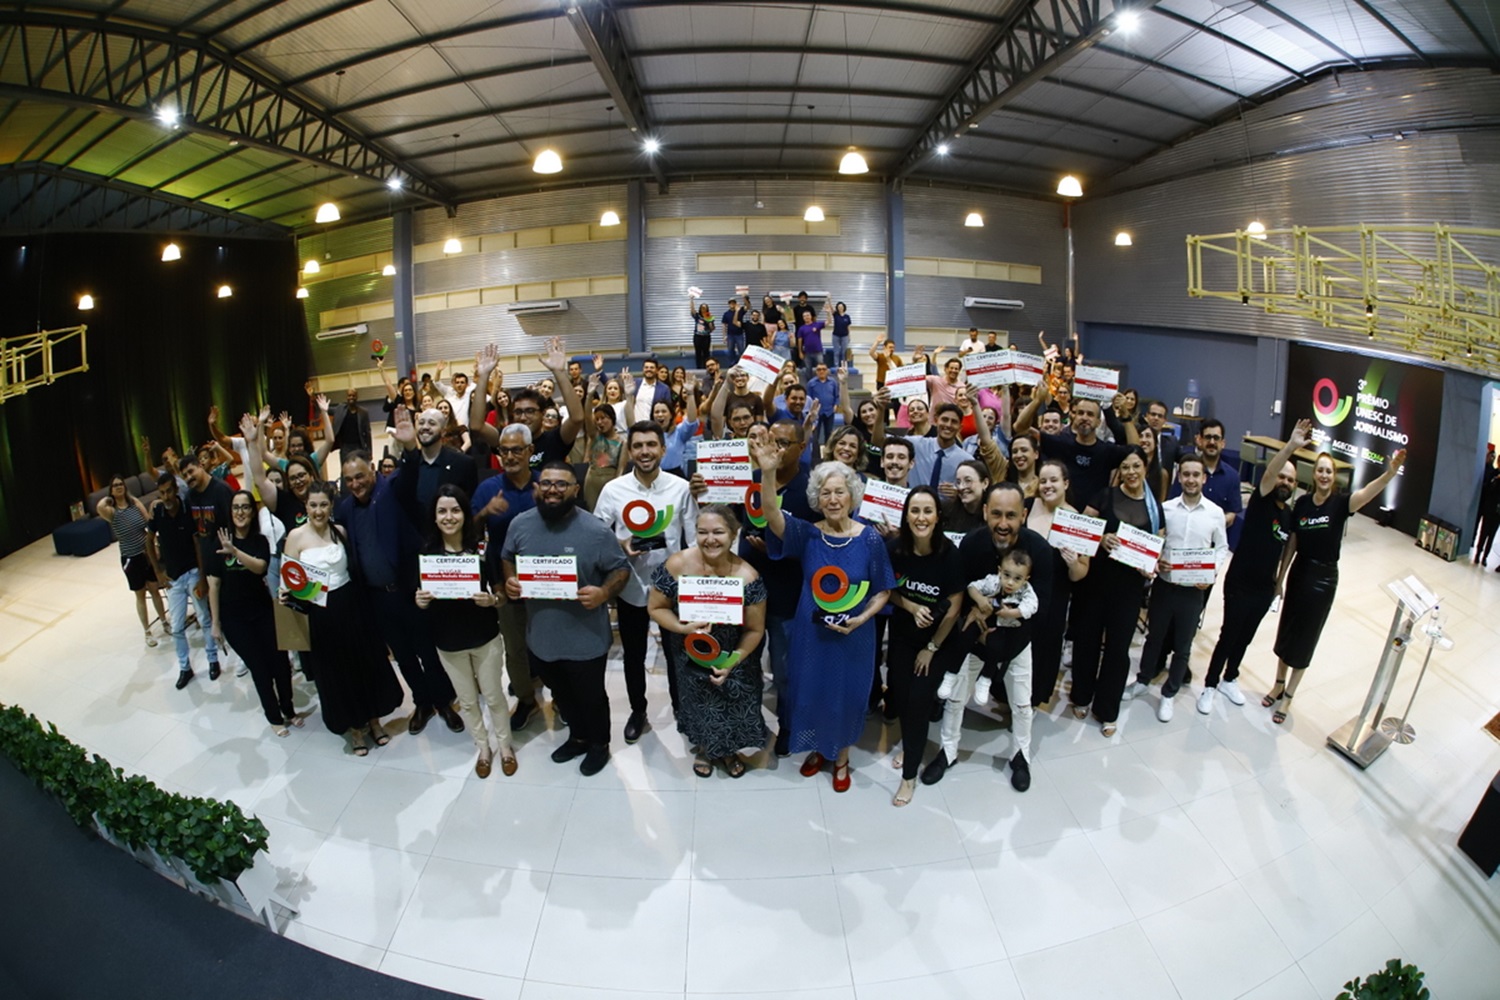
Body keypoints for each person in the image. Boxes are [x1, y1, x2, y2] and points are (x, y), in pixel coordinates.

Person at [753, 444, 895, 792]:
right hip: (812, 633)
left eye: (840, 492)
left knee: (845, 695)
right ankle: (820, 747)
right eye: (826, 493)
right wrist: (768, 472)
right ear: (817, 498)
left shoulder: (870, 539)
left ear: (852, 496)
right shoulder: (808, 534)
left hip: (854, 636)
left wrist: (861, 620)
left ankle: (841, 756)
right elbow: (770, 513)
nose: (833, 499)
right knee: (814, 690)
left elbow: (883, 591)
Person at [501, 462, 630, 776]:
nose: (552, 490)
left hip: (586, 639)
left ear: (575, 489)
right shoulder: (520, 524)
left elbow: (621, 568)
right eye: (546, 483)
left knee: (592, 698)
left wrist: (603, 592)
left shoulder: (596, 530)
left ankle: (599, 744)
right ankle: (578, 737)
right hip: (541, 639)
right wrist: (511, 580)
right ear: (538, 487)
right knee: (562, 696)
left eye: (561, 484)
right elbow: (507, 557)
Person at [923, 482, 1054, 789]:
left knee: (1022, 704)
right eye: (996, 514)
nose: (1003, 523)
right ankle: (948, 751)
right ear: (985, 512)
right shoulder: (971, 544)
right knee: (956, 698)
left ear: (1023, 515)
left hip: (1017, 640)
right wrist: (977, 631)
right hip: (975, 636)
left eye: (1011, 515)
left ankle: (1021, 756)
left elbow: (1042, 611)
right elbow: (960, 591)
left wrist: (1001, 633)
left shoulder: (1040, 551)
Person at [1266, 444, 1407, 723]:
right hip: (1299, 573)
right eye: (1320, 470)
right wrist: (1280, 579)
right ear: (1313, 474)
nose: (1324, 475)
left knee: (1307, 637)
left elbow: (1367, 493)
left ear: (1334, 476)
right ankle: (1278, 683)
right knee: (1288, 631)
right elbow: (1292, 543)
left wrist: (1389, 474)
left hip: (1324, 579)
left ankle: (1289, 695)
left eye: (1328, 471)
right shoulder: (1302, 504)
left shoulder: (1341, 504)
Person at [338, 430, 464, 736]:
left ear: (372, 469)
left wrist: (409, 446)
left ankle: (444, 701)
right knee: (404, 657)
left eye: (360, 476)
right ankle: (422, 702)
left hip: (409, 591)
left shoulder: (393, 489)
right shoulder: (344, 508)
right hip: (378, 598)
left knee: (427, 652)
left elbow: (409, 474)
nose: (355, 484)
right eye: (349, 479)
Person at [593, 422, 698, 742]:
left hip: (671, 588)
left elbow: (693, 539)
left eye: (651, 445)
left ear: (663, 449)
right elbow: (597, 535)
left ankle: (682, 708)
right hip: (631, 585)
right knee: (634, 655)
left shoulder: (680, 488)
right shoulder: (614, 490)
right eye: (638, 445)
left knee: (677, 653)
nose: (645, 452)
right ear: (630, 451)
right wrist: (619, 545)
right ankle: (638, 711)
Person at [283, 482, 404, 755]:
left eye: (323, 505)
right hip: (320, 612)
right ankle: (355, 729)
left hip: (351, 606)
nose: (318, 511)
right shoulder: (295, 537)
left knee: (363, 665)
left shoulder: (340, 531)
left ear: (331, 506)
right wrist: (287, 594)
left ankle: (374, 721)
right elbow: (290, 580)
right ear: (305, 506)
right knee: (337, 673)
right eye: (313, 505)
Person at [648, 505, 767, 778]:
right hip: (689, 649)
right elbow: (656, 607)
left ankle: (729, 750)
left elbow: (754, 630)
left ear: (733, 534)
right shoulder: (677, 564)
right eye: (702, 532)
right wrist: (682, 627)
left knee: (733, 701)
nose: (710, 539)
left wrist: (732, 661)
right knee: (697, 701)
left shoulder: (748, 576)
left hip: (734, 652)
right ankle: (705, 747)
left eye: (718, 532)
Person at [1199, 424, 1305, 713]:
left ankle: (1229, 678)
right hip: (1240, 582)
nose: (1285, 482)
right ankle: (1210, 684)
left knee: (1245, 637)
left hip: (1264, 588)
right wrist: (1291, 446)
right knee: (1229, 634)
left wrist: (1278, 583)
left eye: (1291, 480)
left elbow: (1287, 550)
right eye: (1282, 476)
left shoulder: (1289, 515)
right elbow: (1269, 474)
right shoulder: (1262, 500)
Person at [415, 485, 516, 778]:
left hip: (485, 638)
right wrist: (420, 601)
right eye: (442, 511)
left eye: (455, 510)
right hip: (448, 642)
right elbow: (421, 595)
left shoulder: (482, 549)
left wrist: (492, 600)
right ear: (434, 517)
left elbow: (501, 595)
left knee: (494, 697)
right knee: (469, 702)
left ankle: (505, 747)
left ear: (465, 513)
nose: (449, 517)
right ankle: (483, 748)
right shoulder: (427, 553)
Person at [1123, 455, 1228, 722]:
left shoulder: (1215, 513)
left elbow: (1221, 548)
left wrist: (1212, 573)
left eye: (1196, 475)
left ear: (1204, 478)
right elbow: (1154, 541)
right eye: (1186, 474)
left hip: (1193, 591)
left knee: (1183, 645)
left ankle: (1169, 693)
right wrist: (1157, 558)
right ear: (1179, 477)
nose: (1191, 480)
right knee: (1154, 637)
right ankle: (1143, 680)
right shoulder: (1165, 509)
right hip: (1165, 586)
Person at [1070, 447, 1164, 737]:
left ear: (1145, 468)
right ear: (1118, 471)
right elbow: (1081, 532)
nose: (1131, 472)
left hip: (1129, 590)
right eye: (1125, 467)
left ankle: (1107, 709)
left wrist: (1149, 565)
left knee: (1118, 650)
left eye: (1136, 466)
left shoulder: (1154, 509)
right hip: (1095, 583)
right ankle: (1081, 695)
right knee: (1086, 641)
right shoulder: (1104, 496)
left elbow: (1158, 547)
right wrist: (1102, 538)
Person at [882, 487, 964, 807]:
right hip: (903, 636)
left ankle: (909, 777)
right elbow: (887, 590)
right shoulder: (895, 549)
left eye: (927, 511)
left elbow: (954, 608)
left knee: (917, 701)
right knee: (902, 696)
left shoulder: (949, 555)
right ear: (906, 516)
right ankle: (911, 743)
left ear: (938, 517)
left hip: (938, 641)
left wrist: (931, 647)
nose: (921, 517)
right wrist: (913, 607)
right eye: (915, 511)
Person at [739, 419, 815, 756]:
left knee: (784, 670)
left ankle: (787, 725)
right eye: (772, 441)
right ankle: (747, 724)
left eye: (784, 443)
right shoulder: (753, 479)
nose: (776, 449)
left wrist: (780, 547)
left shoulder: (811, 488)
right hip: (750, 592)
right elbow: (732, 521)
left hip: (789, 593)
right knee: (745, 664)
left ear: (802, 447)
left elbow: (817, 542)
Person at [207, 492, 299, 736]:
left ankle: (289, 710)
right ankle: (274, 718)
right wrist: (215, 623)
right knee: (260, 669)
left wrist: (235, 551)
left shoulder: (260, 541)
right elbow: (214, 585)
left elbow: (260, 567)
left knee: (281, 664)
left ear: (252, 511)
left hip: (263, 611)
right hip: (234, 619)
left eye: (245, 507)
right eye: (236, 507)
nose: (240, 512)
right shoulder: (219, 542)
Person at [470, 424, 543, 729]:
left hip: (547, 582)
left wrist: (548, 506)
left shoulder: (545, 484)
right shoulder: (488, 489)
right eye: (504, 451)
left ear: (530, 451)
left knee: (550, 643)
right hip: (504, 583)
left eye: (516, 450)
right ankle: (526, 700)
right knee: (514, 648)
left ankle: (561, 698)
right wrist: (484, 513)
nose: (510, 456)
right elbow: (468, 533)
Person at [1023, 459, 1090, 707]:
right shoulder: (1027, 506)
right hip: (1021, 592)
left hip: (1054, 598)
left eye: (1054, 480)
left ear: (1066, 483)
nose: (1048, 485)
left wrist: (1073, 563)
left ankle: (1033, 699)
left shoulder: (1077, 520)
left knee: (1044, 649)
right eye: (1043, 481)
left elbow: (1080, 574)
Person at [145, 474, 218, 688]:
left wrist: (202, 576)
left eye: (169, 491)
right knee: (177, 627)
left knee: (204, 618)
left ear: (176, 490)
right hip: (173, 579)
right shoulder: (158, 512)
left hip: (193, 573)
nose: (166, 496)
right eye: (162, 493)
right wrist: (158, 572)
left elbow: (197, 544)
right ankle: (185, 668)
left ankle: (213, 659)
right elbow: (148, 541)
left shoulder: (188, 509)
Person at [1014, 383, 1138, 507]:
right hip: (1061, 512)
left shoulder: (1107, 451)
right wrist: (1037, 400)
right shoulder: (1060, 443)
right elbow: (1020, 427)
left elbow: (1136, 450)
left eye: (1090, 414)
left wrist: (1126, 416)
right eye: (1080, 413)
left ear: (1098, 422)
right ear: (1074, 417)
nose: (1084, 417)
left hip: (1093, 515)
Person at [469, 339, 585, 471]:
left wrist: (559, 372)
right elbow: (477, 425)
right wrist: (484, 376)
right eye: (518, 412)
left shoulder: (555, 439)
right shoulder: (507, 439)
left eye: (530, 411)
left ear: (542, 414)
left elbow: (577, 418)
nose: (523, 417)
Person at [951, 548, 1038, 707]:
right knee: (965, 635)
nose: (1010, 582)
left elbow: (1032, 606)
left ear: (1026, 579)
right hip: (982, 621)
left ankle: (985, 680)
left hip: (1005, 629)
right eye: (1007, 575)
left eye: (1017, 578)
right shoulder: (992, 581)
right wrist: (981, 600)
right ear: (999, 571)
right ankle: (951, 674)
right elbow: (972, 587)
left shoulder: (1026, 591)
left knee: (995, 647)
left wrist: (1011, 613)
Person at [97, 474, 167, 647]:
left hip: (146, 554)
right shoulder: (111, 512)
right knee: (140, 594)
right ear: (111, 490)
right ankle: (147, 631)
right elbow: (99, 506)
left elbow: (148, 522)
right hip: (130, 557)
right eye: (115, 486)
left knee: (155, 589)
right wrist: (110, 498)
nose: (119, 487)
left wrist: (155, 546)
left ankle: (165, 622)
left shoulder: (134, 503)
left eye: (121, 484)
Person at [1182, 419, 1244, 548]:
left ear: (1223, 443)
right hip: (1186, 541)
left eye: (1216, 438)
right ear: (1200, 440)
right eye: (1208, 437)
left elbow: (1232, 513)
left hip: (1216, 545)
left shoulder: (1232, 476)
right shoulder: (1188, 472)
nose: (1212, 442)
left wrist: (1211, 525)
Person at [1475, 450, 1500, 568]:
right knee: (1483, 533)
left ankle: (1485, 556)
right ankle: (1478, 553)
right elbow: (1486, 489)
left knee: (1491, 536)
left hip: (1498, 514)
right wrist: (1496, 481)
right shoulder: (1493, 473)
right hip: (1489, 509)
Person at [1007, 434, 1040, 499]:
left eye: (1024, 450)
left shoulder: (1042, 485)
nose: (1018, 455)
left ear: (1036, 454)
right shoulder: (1004, 480)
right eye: (1014, 452)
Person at [690, 294, 716, 368]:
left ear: (707, 309)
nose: (703, 309)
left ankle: (706, 367)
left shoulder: (710, 316)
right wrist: (691, 300)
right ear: (700, 309)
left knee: (706, 353)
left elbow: (712, 329)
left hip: (706, 337)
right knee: (698, 353)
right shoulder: (697, 316)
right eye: (702, 308)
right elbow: (692, 310)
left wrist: (709, 322)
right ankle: (698, 367)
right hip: (697, 337)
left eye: (705, 308)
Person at [722, 297, 746, 362]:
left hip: (739, 334)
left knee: (741, 350)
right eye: (731, 303)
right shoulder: (726, 314)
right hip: (730, 335)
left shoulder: (740, 311)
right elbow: (724, 325)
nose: (732, 304)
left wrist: (744, 297)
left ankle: (741, 364)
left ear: (735, 304)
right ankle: (732, 364)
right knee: (730, 351)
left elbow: (747, 307)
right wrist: (724, 336)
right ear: (728, 304)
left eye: (733, 303)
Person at [830, 300, 853, 365]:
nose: (840, 308)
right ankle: (836, 365)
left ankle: (844, 365)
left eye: (841, 307)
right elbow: (831, 309)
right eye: (839, 307)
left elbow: (848, 327)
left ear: (844, 307)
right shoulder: (836, 315)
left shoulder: (847, 317)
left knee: (844, 352)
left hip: (845, 336)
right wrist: (829, 300)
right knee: (836, 352)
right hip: (836, 336)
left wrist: (849, 336)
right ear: (837, 308)